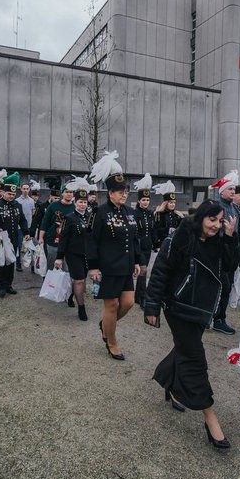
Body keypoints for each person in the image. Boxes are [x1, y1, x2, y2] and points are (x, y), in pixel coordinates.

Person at [145, 200, 238, 449]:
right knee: (195, 358)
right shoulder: (180, 238)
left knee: (185, 348)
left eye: (220, 221)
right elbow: (160, 272)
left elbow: (229, 267)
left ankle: (170, 385)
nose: (216, 225)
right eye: (212, 220)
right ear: (200, 218)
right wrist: (151, 306)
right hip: (178, 307)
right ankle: (210, 419)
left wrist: (229, 238)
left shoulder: (219, 240)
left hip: (202, 310)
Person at [87, 152, 147, 360]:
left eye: (126, 192)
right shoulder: (99, 212)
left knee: (128, 303)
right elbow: (91, 240)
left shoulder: (130, 212)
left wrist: (138, 261)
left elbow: (135, 239)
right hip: (108, 267)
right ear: (110, 193)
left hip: (127, 266)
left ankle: (106, 324)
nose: (124, 195)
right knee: (111, 305)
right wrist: (93, 267)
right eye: (120, 192)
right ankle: (112, 342)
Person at [54, 177, 94, 321]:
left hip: (86, 254)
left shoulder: (91, 217)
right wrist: (59, 257)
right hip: (73, 254)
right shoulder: (69, 218)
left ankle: (71, 295)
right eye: (80, 202)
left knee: (82, 280)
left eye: (85, 202)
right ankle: (81, 308)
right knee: (79, 280)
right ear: (75, 203)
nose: (83, 204)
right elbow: (63, 239)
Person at [0, 172, 31, 298]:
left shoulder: (18, 205)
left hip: (14, 238)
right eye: (9, 194)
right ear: (4, 193)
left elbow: (23, 220)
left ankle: (9, 285)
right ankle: (2, 286)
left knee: (11, 262)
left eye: (13, 194)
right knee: (2, 262)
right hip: (1, 239)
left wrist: (26, 232)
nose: (11, 196)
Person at [209, 170, 240, 335]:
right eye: (230, 189)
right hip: (219, 253)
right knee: (223, 286)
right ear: (222, 191)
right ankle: (217, 318)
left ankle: (217, 317)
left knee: (226, 286)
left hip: (230, 254)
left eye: (234, 189)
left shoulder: (234, 208)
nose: (233, 191)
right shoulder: (217, 208)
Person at [131, 173, 154, 308]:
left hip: (148, 245)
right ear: (139, 201)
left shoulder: (150, 214)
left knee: (144, 271)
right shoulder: (134, 214)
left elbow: (153, 230)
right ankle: (142, 297)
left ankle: (138, 296)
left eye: (147, 200)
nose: (145, 202)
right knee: (143, 270)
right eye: (143, 200)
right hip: (138, 245)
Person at [38, 182, 75, 263]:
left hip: (69, 244)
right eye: (67, 192)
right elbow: (45, 222)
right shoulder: (53, 205)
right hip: (53, 241)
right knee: (51, 268)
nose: (69, 194)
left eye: (71, 192)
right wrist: (41, 237)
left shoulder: (75, 207)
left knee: (66, 270)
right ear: (62, 193)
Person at [151, 181, 183, 248]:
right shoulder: (159, 214)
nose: (173, 204)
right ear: (166, 203)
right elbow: (155, 230)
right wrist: (167, 229)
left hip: (174, 244)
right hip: (162, 244)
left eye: (174, 202)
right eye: (171, 202)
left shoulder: (177, 215)